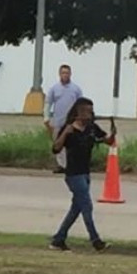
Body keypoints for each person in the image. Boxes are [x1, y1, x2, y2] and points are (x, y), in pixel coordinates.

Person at [49, 98, 113, 252]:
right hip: (73, 174)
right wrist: (65, 133)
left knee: (76, 208)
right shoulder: (69, 128)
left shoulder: (91, 128)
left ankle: (59, 239)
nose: (89, 115)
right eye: (85, 112)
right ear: (78, 112)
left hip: (85, 173)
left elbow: (107, 141)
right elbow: (56, 148)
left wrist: (112, 134)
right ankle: (96, 240)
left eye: (90, 111)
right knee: (87, 206)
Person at [45, 64, 83, 173]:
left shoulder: (76, 89)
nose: (65, 75)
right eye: (63, 73)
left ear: (70, 74)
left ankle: (71, 165)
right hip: (58, 121)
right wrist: (47, 117)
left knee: (72, 144)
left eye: (67, 73)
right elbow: (48, 103)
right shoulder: (54, 89)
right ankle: (61, 165)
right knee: (59, 143)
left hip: (72, 122)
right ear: (59, 74)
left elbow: (81, 104)